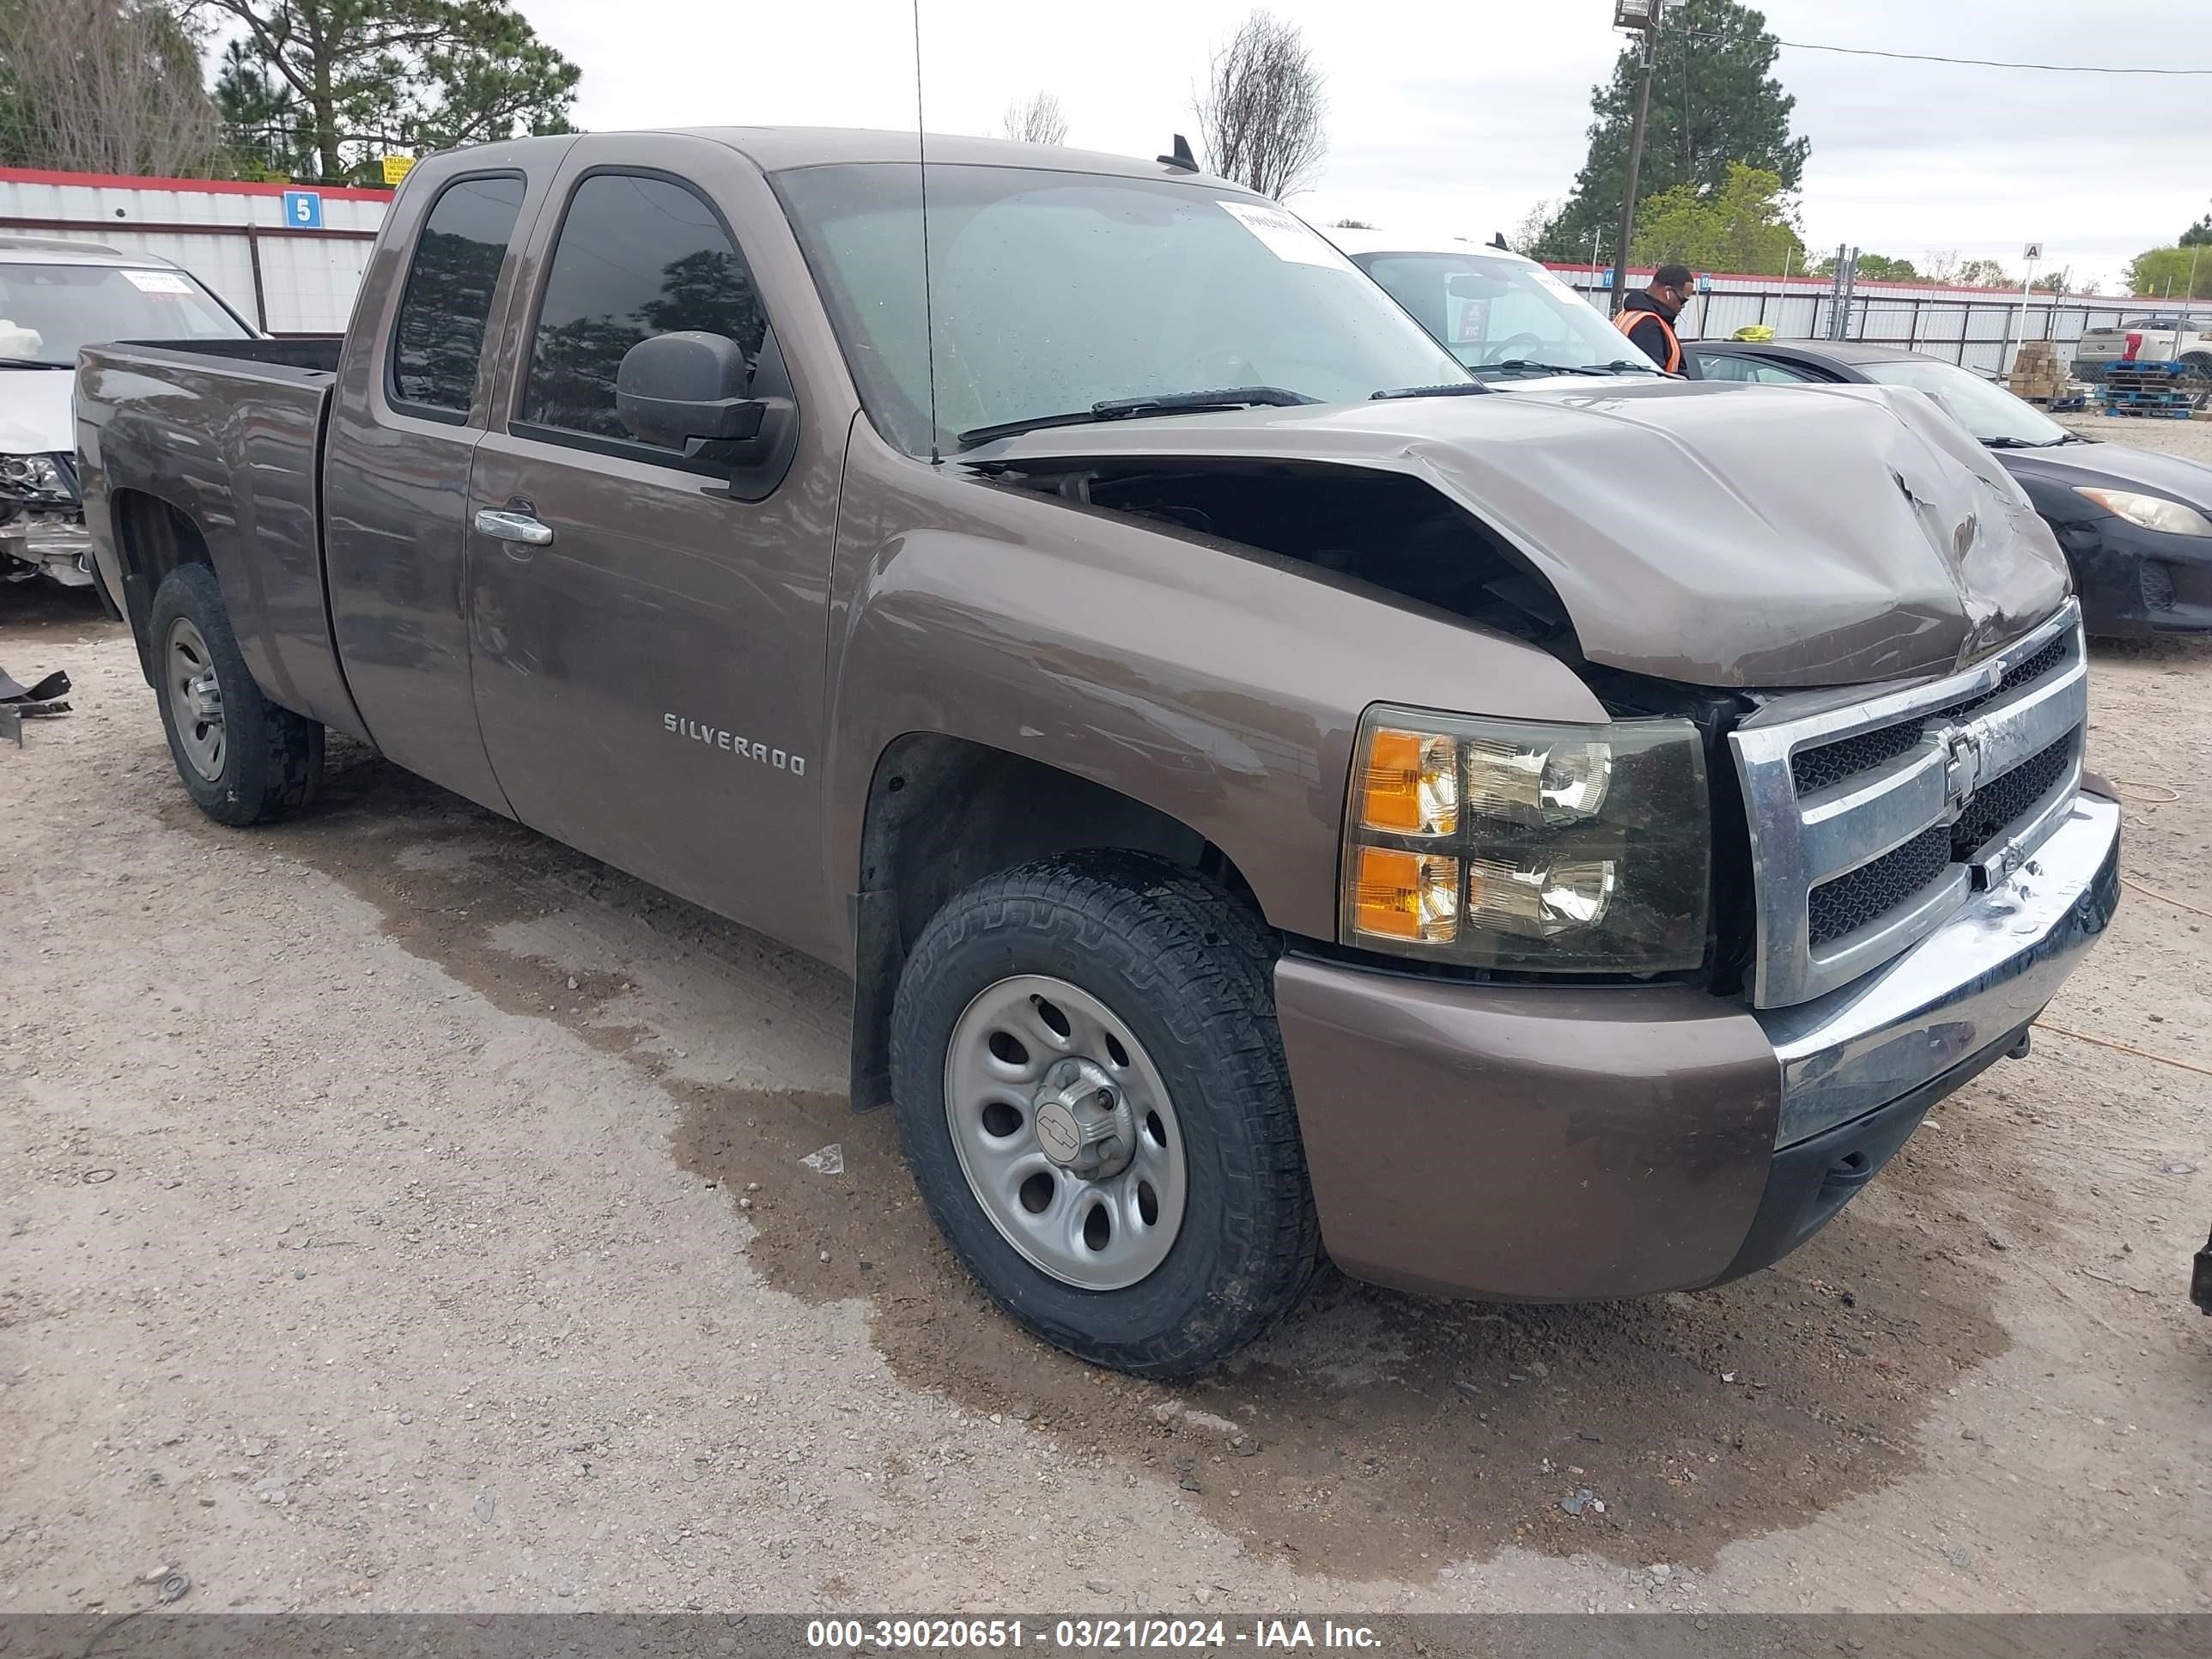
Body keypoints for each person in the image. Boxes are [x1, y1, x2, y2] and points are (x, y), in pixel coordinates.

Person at [1615, 264, 1695, 374]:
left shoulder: (1630, 314)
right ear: (1667, 292)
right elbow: (1652, 376)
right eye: (1683, 300)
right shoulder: (1648, 326)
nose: (1683, 306)